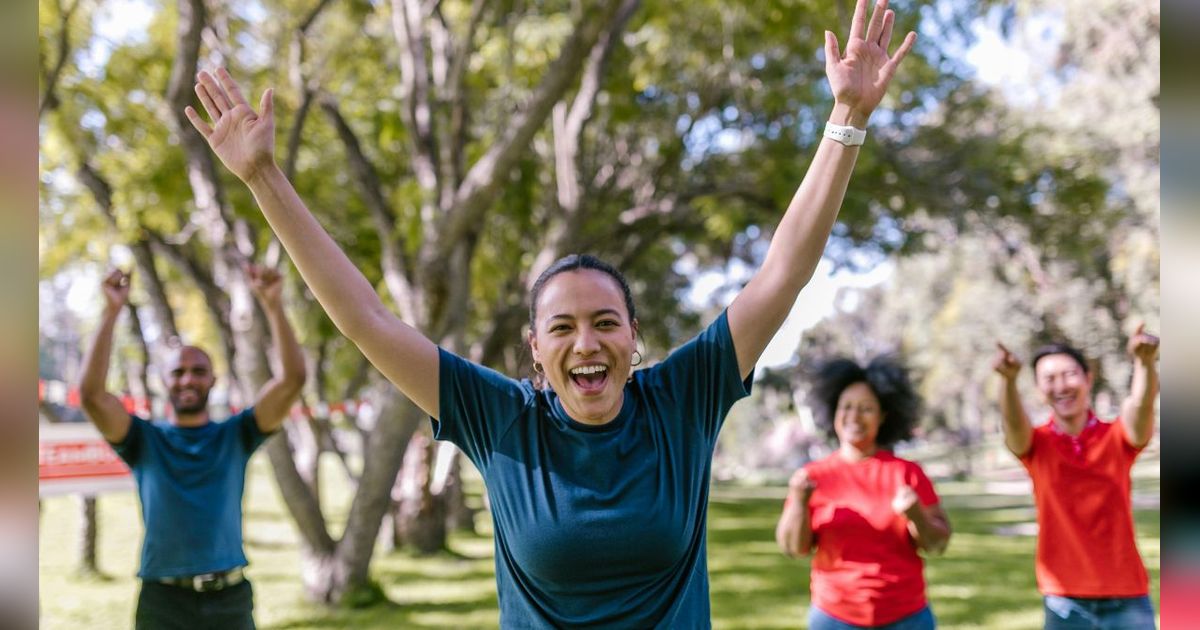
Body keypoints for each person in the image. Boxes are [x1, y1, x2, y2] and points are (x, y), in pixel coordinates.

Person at [184, 0, 916, 624]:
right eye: (562, 328)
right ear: (536, 349)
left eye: (604, 321)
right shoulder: (501, 419)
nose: (586, 342)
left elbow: (782, 273)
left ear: (634, 336)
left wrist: (846, 118)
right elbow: (366, 321)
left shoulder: (682, 401)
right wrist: (263, 178)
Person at [78, 265, 306, 630]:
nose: (188, 379)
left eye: (199, 371)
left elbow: (292, 380)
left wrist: (275, 307)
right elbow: (91, 396)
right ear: (164, 380)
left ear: (213, 380)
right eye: (178, 372)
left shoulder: (237, 434)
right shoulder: (143, 440)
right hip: (163, 601)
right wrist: (111, 312)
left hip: (229, 599)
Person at [993, 328, 1160, 630]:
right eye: (1049, 379)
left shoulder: (1116, 436)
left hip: (1127, 596)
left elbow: (1142, 407)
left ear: (1088, 378)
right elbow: (1013, 425)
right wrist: (1007, 381)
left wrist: (1144, 364)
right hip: (1064, 600)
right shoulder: (1036, 445)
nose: (1061, 386)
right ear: (1038, 389)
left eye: (1069, 374)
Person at [775, 356, 950, 629]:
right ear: (833, 412)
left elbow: (938, 544)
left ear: (883, 417)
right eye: (846, 407)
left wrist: (916, 514)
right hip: (834, 617)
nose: (854, 416)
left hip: (906, 617)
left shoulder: (906, 473)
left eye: (866, 408)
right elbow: (793, 548)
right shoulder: (812, 476)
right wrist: (799, 502)